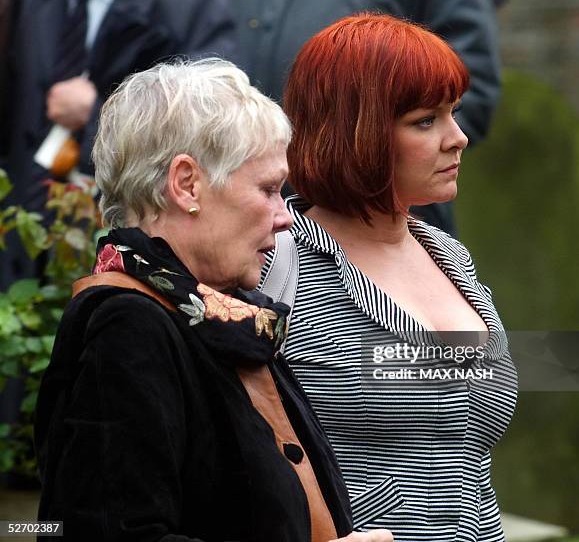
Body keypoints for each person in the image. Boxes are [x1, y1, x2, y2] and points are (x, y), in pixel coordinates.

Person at [34, 59, 394, 542]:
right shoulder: (129, 326)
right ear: (187, 185)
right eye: (267, 189)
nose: (284, 216)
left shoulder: (214, 313)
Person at [261, 14, 518, 541]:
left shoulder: (448, 253)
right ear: (354, 130)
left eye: (455, 113)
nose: (459, 138)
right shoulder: (276, 264)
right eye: (426, 121)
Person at [0, 0, 235, 291]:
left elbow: (207, 117)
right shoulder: (32, 6)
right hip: (20, 237)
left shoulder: (193, 8)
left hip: (124, 239)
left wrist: (96, 115)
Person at [231, 0, 502, 236]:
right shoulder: (287, 273)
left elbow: (472, 84)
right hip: (258, 209)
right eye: (427, 121)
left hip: (397, 209)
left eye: (449, 114)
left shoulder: (452, 261)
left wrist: (375, 171)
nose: (458, 139)